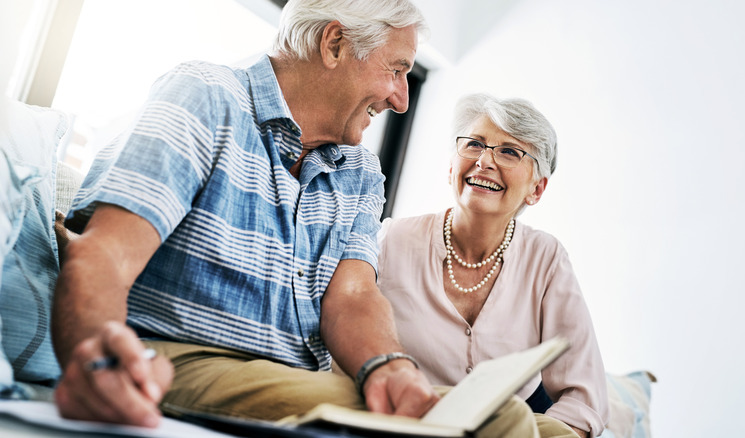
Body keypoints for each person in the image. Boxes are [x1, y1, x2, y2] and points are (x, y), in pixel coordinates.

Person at [50, 2, 539, 436]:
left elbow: (352, 294)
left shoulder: (361, 170)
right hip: (181, 359)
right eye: (396, 70)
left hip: (290, 378)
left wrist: (388, 366)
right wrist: (93, 360)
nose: (400, 99)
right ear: (334, 44)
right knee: (498, 421)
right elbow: (107, 251)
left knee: (512, 418)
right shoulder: (206, 95)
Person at [377, 93, 609, 438]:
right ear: (452, 166)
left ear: (537, 189)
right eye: (474, 144)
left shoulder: (547, 257)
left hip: (510, 424)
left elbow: (584, 396)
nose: (485, 161)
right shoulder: (392, 239)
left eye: (509, 151)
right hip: (408, 421)